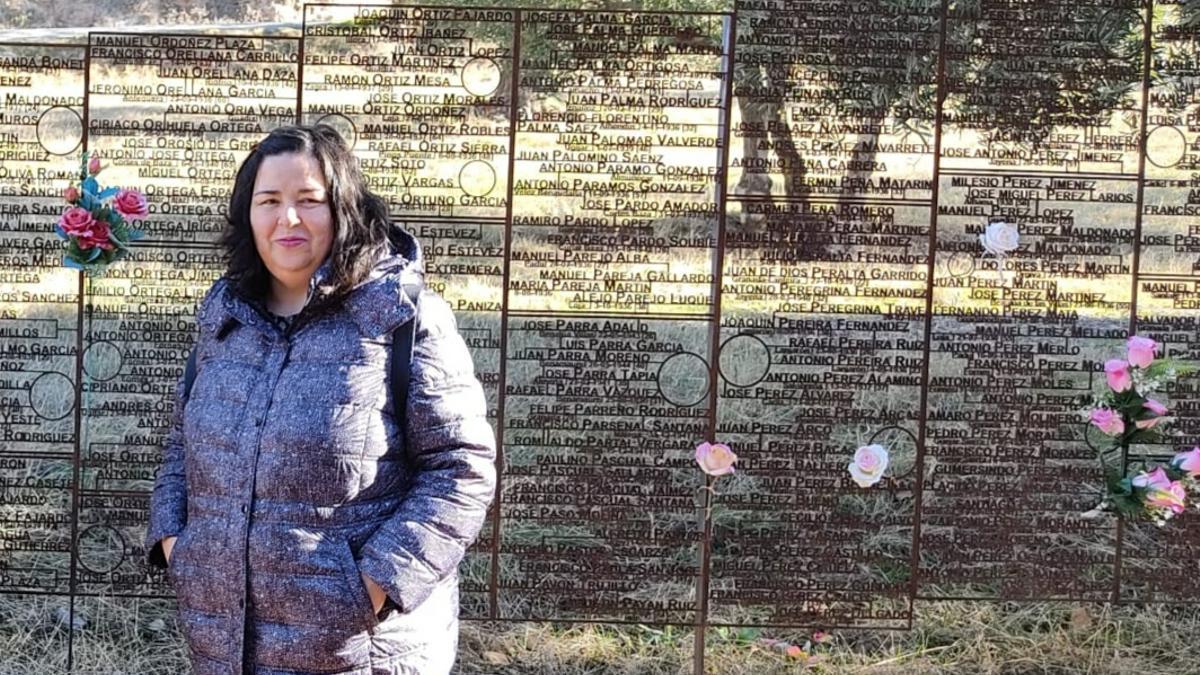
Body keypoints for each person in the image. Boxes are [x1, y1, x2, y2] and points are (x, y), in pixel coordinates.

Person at [144, 124, 497, 675]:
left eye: (309, 200)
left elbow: (460, 467)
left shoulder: (402, 318)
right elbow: (180, 448)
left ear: (344, 209)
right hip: (224, 647)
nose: (288, 218)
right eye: (269, 201)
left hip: (362, 651)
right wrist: (177, 548)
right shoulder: (225, 320)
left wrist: (372, 588)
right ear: (247, 215)